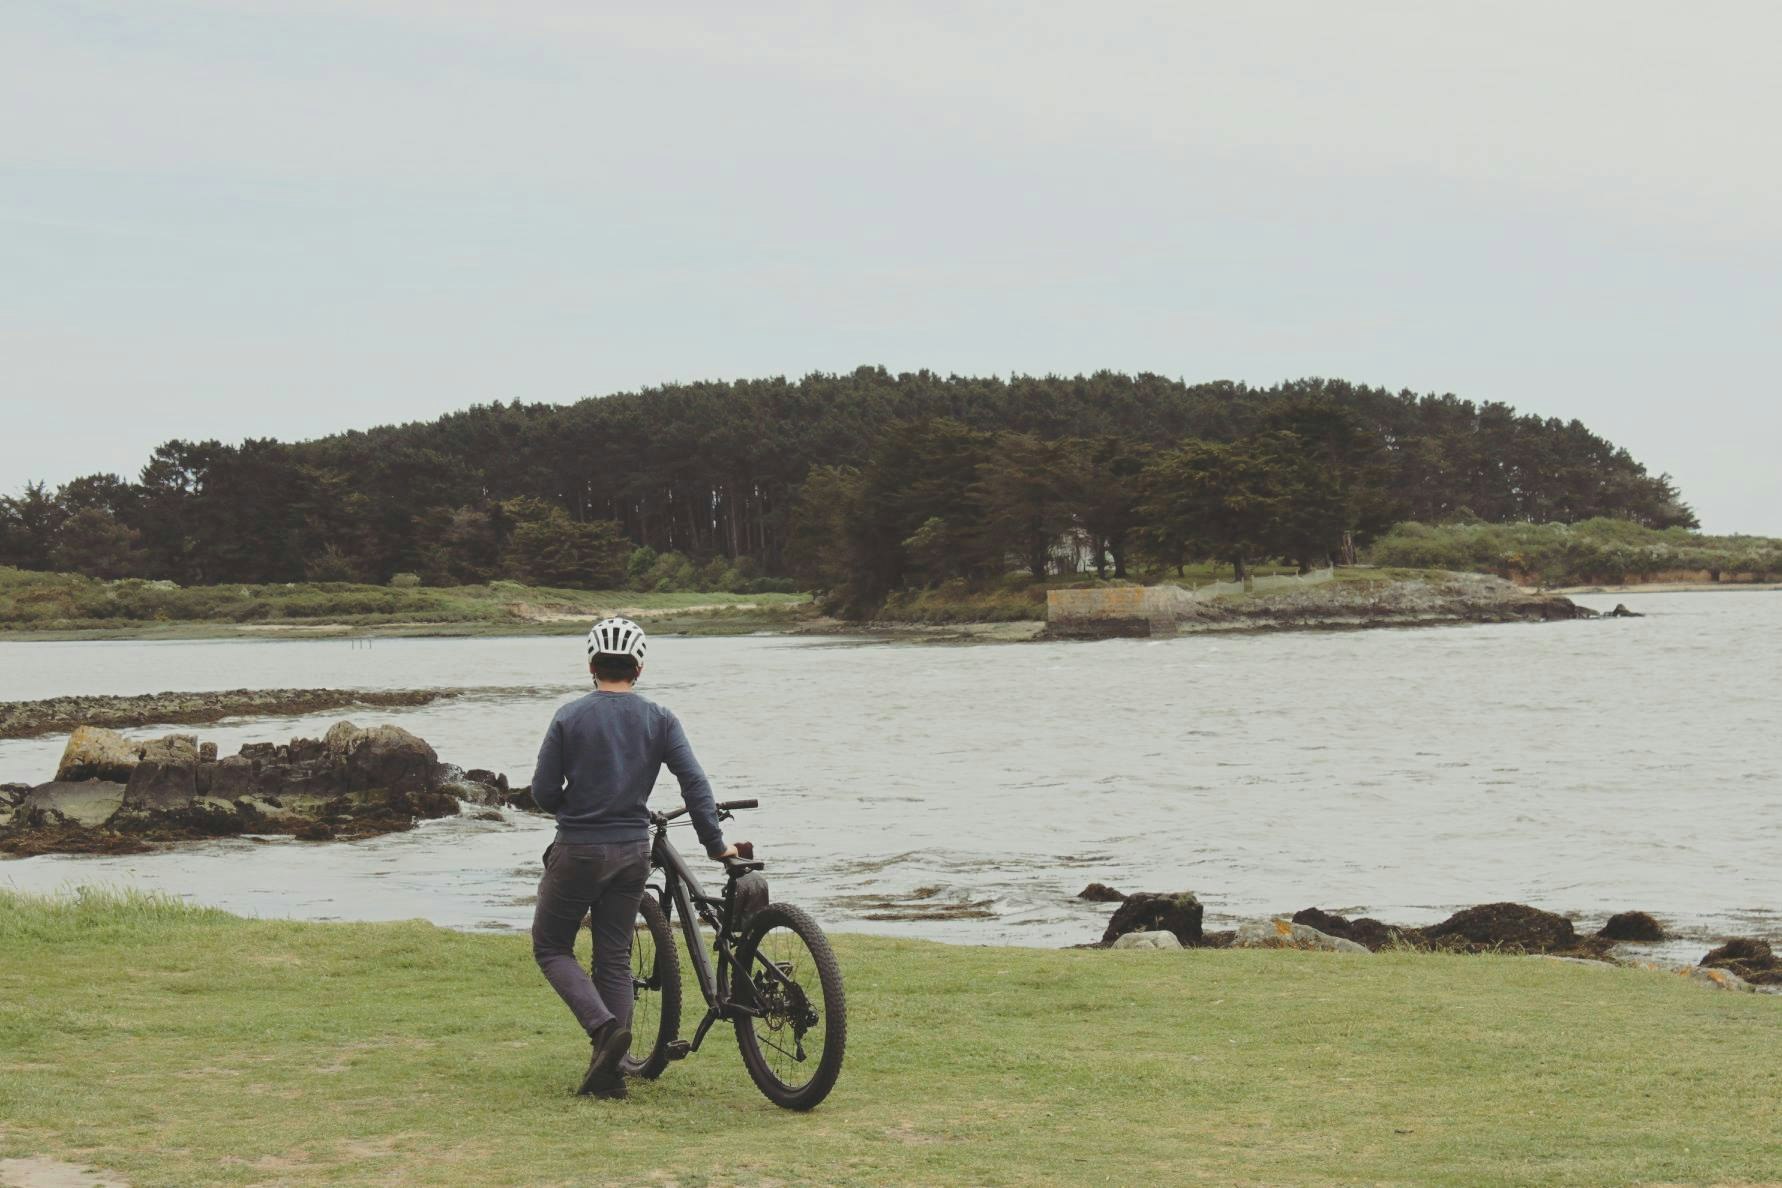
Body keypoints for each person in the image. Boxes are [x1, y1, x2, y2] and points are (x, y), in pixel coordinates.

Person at [530, 616, 737, 1099]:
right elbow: (694, 783)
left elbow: (543, 791)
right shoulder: (660, 719)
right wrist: (714, 844)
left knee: (551, 946)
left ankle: (604, 1030)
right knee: (615, 956)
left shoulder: (568, 717)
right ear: (638, 668)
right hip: (632, 853)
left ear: (591, 665)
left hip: (578, 849)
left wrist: (574, 810)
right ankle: (611, 1072)